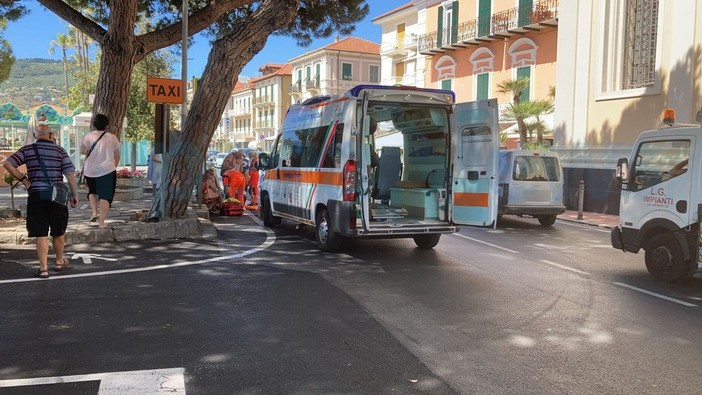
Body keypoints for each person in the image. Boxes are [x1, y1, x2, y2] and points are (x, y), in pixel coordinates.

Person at [2, 124, 79, 279]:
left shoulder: (27, 150)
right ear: (50, 135)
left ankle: (43, 269)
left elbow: (7, 163)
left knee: (41, 232)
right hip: (57, 194)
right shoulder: (59, 150)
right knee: (58, 230)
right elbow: (70, 174)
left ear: (36, 135)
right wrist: (74, 194)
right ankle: (59, 261)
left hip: (36, 193)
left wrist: (25, 180)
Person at [80, 113, 120, 229]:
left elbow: (83, 151)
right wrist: (113, 166)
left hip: (90, 170)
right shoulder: (112, 137)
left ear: (94, 125)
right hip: (107, 169)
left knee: (92, 190)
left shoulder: (88, 136)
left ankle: (94, 212)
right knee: (105, 195)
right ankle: (101, 222)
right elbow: (117, 155)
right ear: (106, 125)